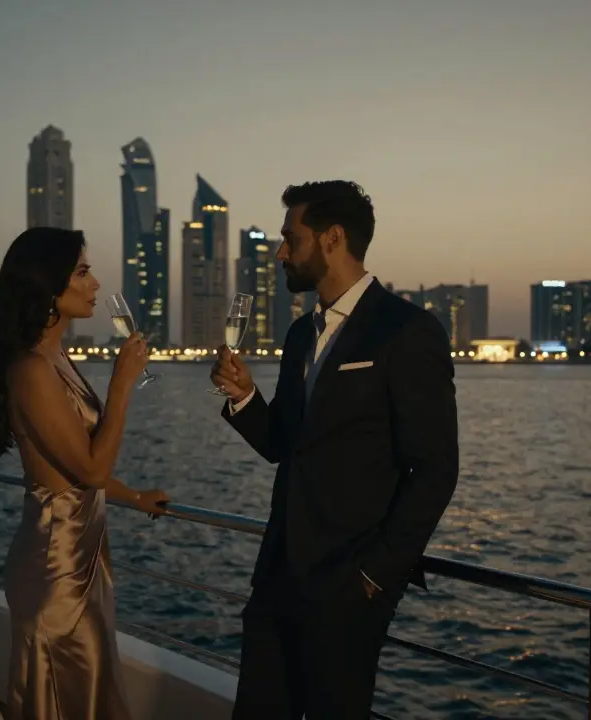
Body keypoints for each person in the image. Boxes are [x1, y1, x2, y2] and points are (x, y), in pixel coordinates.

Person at [210, 181, 459, 718]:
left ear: (332, 238)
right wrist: (244, 397)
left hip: (347, 590)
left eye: (288, 237)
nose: (279, 252)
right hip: (277, 579)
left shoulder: (407, 332)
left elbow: (436, 469)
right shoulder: (301, 334)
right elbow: (285, 444)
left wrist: (373, 577)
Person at [0, 226, 170, 720]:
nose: (96, 284)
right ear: (48, 286)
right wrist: (122, 385)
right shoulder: (33, 369)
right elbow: (91, 466)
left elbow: (80, 470)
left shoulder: (57, 356)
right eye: (82, 272)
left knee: (91, 698)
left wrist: (135, 496)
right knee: (70, 702)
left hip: (83, 558)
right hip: (55, 569)